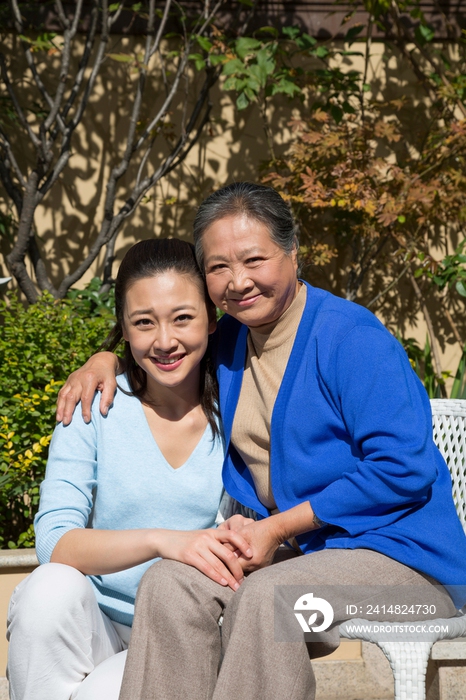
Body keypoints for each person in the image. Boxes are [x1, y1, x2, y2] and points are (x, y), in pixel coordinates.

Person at [56, 183, 466, 700]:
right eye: (219, 267)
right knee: (169, 584)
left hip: (413, 579)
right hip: (307, 558)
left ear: (293, 253)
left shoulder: (350, 337)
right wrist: (106, 360)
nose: (238, 281)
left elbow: (402, 467)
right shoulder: (230, 340)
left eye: (255, 259)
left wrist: (278, 527)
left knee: (269, 598)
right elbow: (163, 347)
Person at [6, 238, 254, 700]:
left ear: (212, 319)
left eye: (183, 317)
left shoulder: (241, 410)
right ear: (123, 327)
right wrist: (162, 540)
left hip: (184, 633)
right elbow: (53, 541)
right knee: (48, 589)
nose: (165, 341)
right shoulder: (94, 404)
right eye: (144, 323)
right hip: (93, 625)